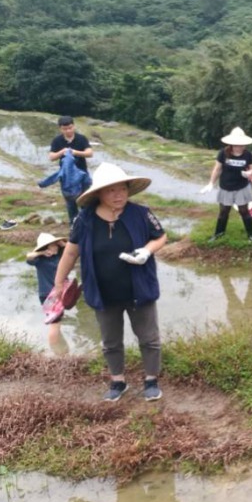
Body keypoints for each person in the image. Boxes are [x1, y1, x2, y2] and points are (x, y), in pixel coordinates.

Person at [52, 163, 167, 402]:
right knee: (110, 341)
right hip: (103, 292)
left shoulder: (141, 214)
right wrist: (59, 282)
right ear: (99, 194)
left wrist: (146, 251)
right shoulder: (84, 220)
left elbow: (161, 236)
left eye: (122, 189)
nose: (118, 195)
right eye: (111, 191)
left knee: (149, 338)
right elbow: (71, 252)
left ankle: (151, 380)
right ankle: (118, 381)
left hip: (139, 289)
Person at [201, 127, 252, 243]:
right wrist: (211, 183)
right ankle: (219, 234)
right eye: (236, 144)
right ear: (232, 144)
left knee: (243, 211)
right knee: (223, 211)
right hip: (226, 186)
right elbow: (217, 169)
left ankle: (251, 236)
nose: (238, 147)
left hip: (241, 186)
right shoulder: (223, 153)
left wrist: (249, 173)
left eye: (241, 144)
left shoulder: (248, 155)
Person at [46, 116, 93, 223]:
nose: (68, 131)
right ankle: (74, 225)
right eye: (65, 129)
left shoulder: (81, 138)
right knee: (71, 203)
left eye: (70, 128)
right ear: (60, 129)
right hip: (66, 177)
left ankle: (87, 222)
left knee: (85, 199)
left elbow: (90, 153)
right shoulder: (57, 141)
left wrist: (75, 152)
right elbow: (51, 157)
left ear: (74, 126)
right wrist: (62, 152)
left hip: (82, 174)